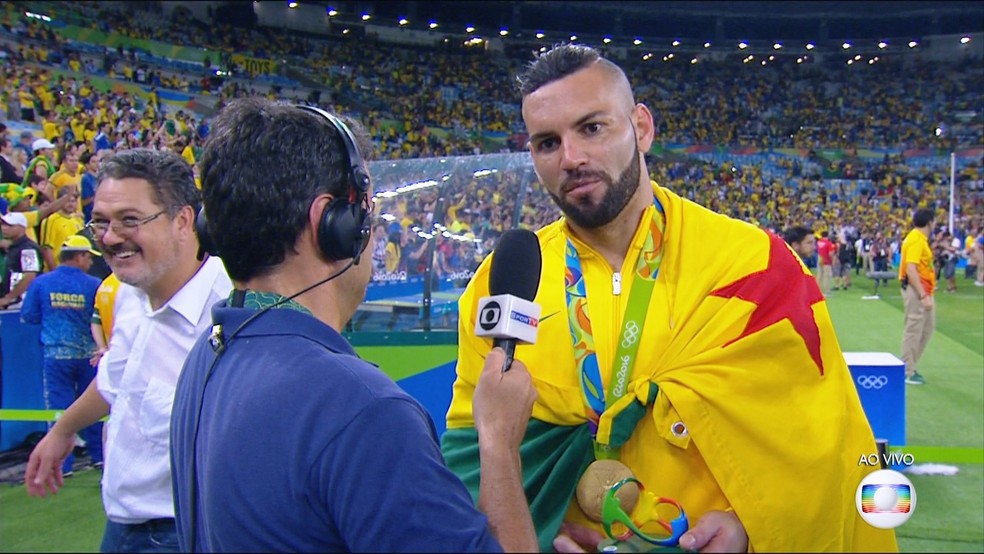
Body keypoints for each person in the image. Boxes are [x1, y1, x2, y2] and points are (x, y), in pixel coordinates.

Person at [441, 44, 897, 553]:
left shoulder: (755, 266)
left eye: (592, 128)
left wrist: (749, 528)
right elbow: (471, 455)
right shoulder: (500, 285)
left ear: (641, 127)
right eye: (548, 142)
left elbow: (825, 449)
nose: (571, 158)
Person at [169, 98, 538, 552]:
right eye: (368, 212)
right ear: (331, 223)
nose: (373, 229)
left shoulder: (203, 358)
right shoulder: (362, 408)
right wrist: (499, 444)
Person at [24, 149, 232, 553]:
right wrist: (63, 430)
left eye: (129, 220)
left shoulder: (232, 310)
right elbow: (115, 381)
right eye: (100, 222)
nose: (109, 237)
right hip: (122, 526)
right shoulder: (130, 295)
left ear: (183, 220)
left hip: (183, 532)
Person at [19, 235, 103, 475]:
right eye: (88, 257)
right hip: (89, 355)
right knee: (94, 406)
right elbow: (102, 318)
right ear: (80, 256)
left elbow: (29, 316)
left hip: (56, 355)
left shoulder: (42, 283)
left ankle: (61, 464)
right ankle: (98, 456)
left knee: (59, 409)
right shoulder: (93, 284)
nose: (90, 263)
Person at [898, 208, 936, 386]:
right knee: (914, 328)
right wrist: (922, 295)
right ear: (930, 222)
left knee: (927, 328)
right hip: (916, 289)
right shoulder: (915, 240)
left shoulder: (920, 239)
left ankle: (910, 365)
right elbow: (910, 268)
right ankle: (906, 370)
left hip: (924, 288)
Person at [0, 211, 44, 309]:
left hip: (22, 303)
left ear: (21, 228)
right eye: (3, 224)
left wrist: (8, 298)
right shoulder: (12, 246)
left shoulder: (28, 249)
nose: (4, 228)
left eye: (9, 226)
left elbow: (30, 276)